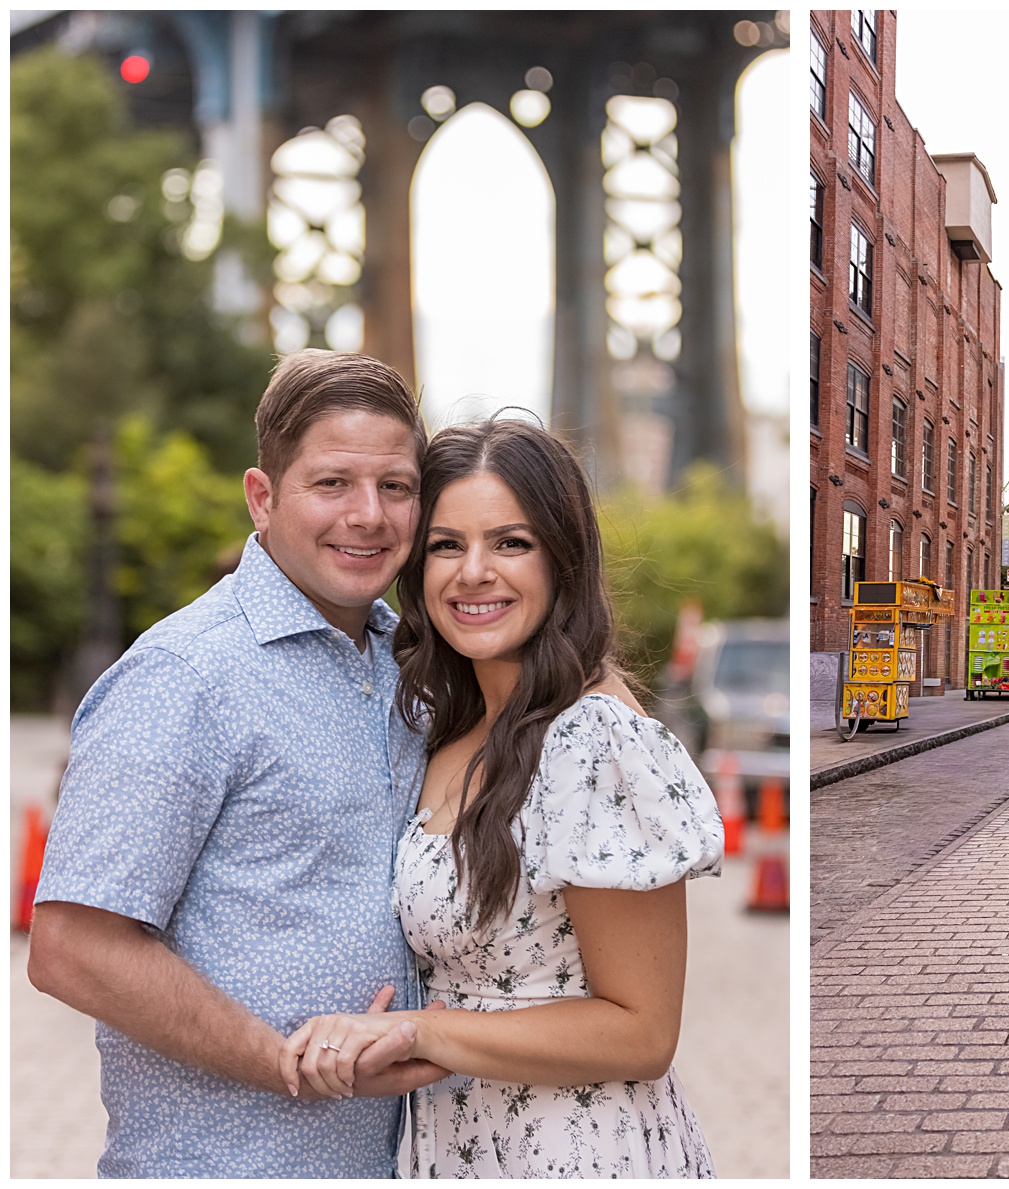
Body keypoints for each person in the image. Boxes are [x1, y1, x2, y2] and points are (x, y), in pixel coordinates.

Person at [29, 351, 444, 1176]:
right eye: (332, 483)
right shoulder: (185, 676)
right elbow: (71, 944)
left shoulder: (409, 668)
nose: (368, 514)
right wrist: (287, 1062)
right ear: (263, 498)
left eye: (395, 486)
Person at [276, 417, 723, 1178]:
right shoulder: (443, 730)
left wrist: (421, 1033)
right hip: (453, 1142)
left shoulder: (592, 739)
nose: (473, 571)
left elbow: (644, 1033)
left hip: (574, 1148)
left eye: (510, 543)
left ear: (562, 561)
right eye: (447, 545)